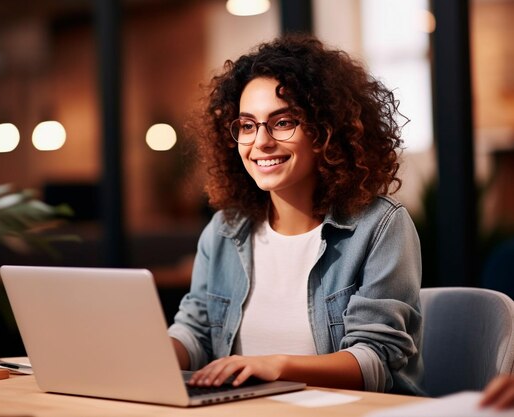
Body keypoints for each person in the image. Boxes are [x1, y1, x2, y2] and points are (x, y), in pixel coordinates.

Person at [167, 33, 423, 395]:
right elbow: (196, 332)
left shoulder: (379, 226)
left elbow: (376, 360)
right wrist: (151, 355)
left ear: (325, 131)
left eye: (283, 122)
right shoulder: (226, 228)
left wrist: (276, 365)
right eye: (247, 125)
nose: (261, 142)